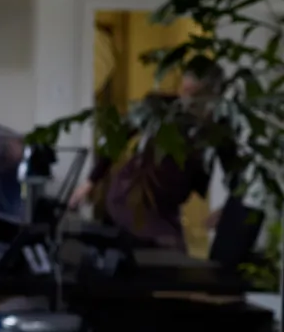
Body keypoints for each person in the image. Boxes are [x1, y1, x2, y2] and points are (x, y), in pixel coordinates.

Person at [68, 69, 221, 250]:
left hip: (165, 207)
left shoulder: (216, 126)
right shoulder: (160, 107)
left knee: (175, 256)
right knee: (171, 247)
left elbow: (231, 170)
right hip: (130, 196)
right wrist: (90, 181)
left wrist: (224, 211)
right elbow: (119, 135)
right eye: (186, 90)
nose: (190, 99)